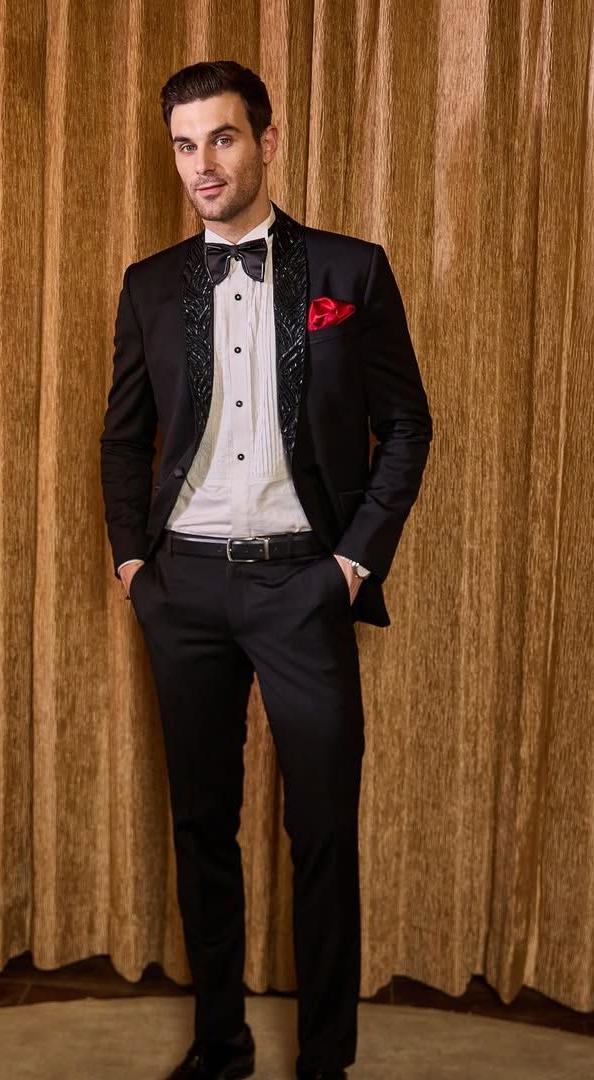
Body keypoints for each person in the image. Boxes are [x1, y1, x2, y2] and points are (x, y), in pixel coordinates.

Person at [99, 59, 432, 1080]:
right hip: (184, 591)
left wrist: (351, 564)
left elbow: (407, 425)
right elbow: (124, 439)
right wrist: (132, 564)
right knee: (201, 825)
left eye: (222, 137)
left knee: (322, 829)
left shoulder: (351, 273)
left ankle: (326, 1060)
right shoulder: (149, 285)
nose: (201, 163)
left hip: (304, 588)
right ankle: (222, 1044)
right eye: (184, 144)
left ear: (267, 141)